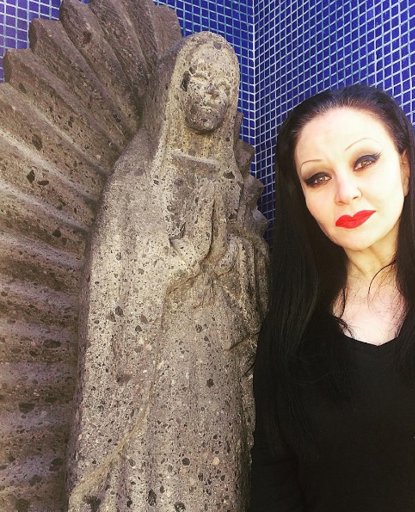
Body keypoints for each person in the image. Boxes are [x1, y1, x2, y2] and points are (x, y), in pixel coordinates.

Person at [250, 84, 415, 511]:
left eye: (364, 161)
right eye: (318, 177)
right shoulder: (288, 336)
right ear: (304, 201)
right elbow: (273, 489)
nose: (345, 192)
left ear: (405, 169)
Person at [67, 33, 264, 510]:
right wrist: (179, 260)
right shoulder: (137, 179)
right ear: (175, 89)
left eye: (224, 87)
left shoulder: (232, 183)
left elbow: (257, 276)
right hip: (152, 367)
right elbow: (115, 279)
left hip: (217, 361)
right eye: (200, 80)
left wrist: (227, 255)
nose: (212, 96)